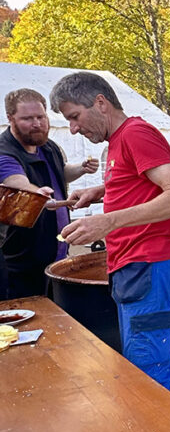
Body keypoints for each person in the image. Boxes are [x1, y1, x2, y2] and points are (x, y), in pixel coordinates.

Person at [49, 72, 170, 391]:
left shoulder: (135, 134)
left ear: (100, 103)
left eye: (74, 116)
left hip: (150, 266)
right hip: (135, 269)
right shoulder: (118, 141)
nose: (73, 127)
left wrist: (107, 221)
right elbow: (139, 180)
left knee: (149, 366)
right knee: (139, 361)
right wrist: (101, 192)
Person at [0, 88, 99, 299]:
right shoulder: (4, 152)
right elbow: (16, 181)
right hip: (21, 262)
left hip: (57, 253)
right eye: (27, 118)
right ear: (11, 119)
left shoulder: (46, 145)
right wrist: (37, 194)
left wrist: (80, 168)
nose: (37, 123)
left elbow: (60, 172)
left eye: (40, 116)